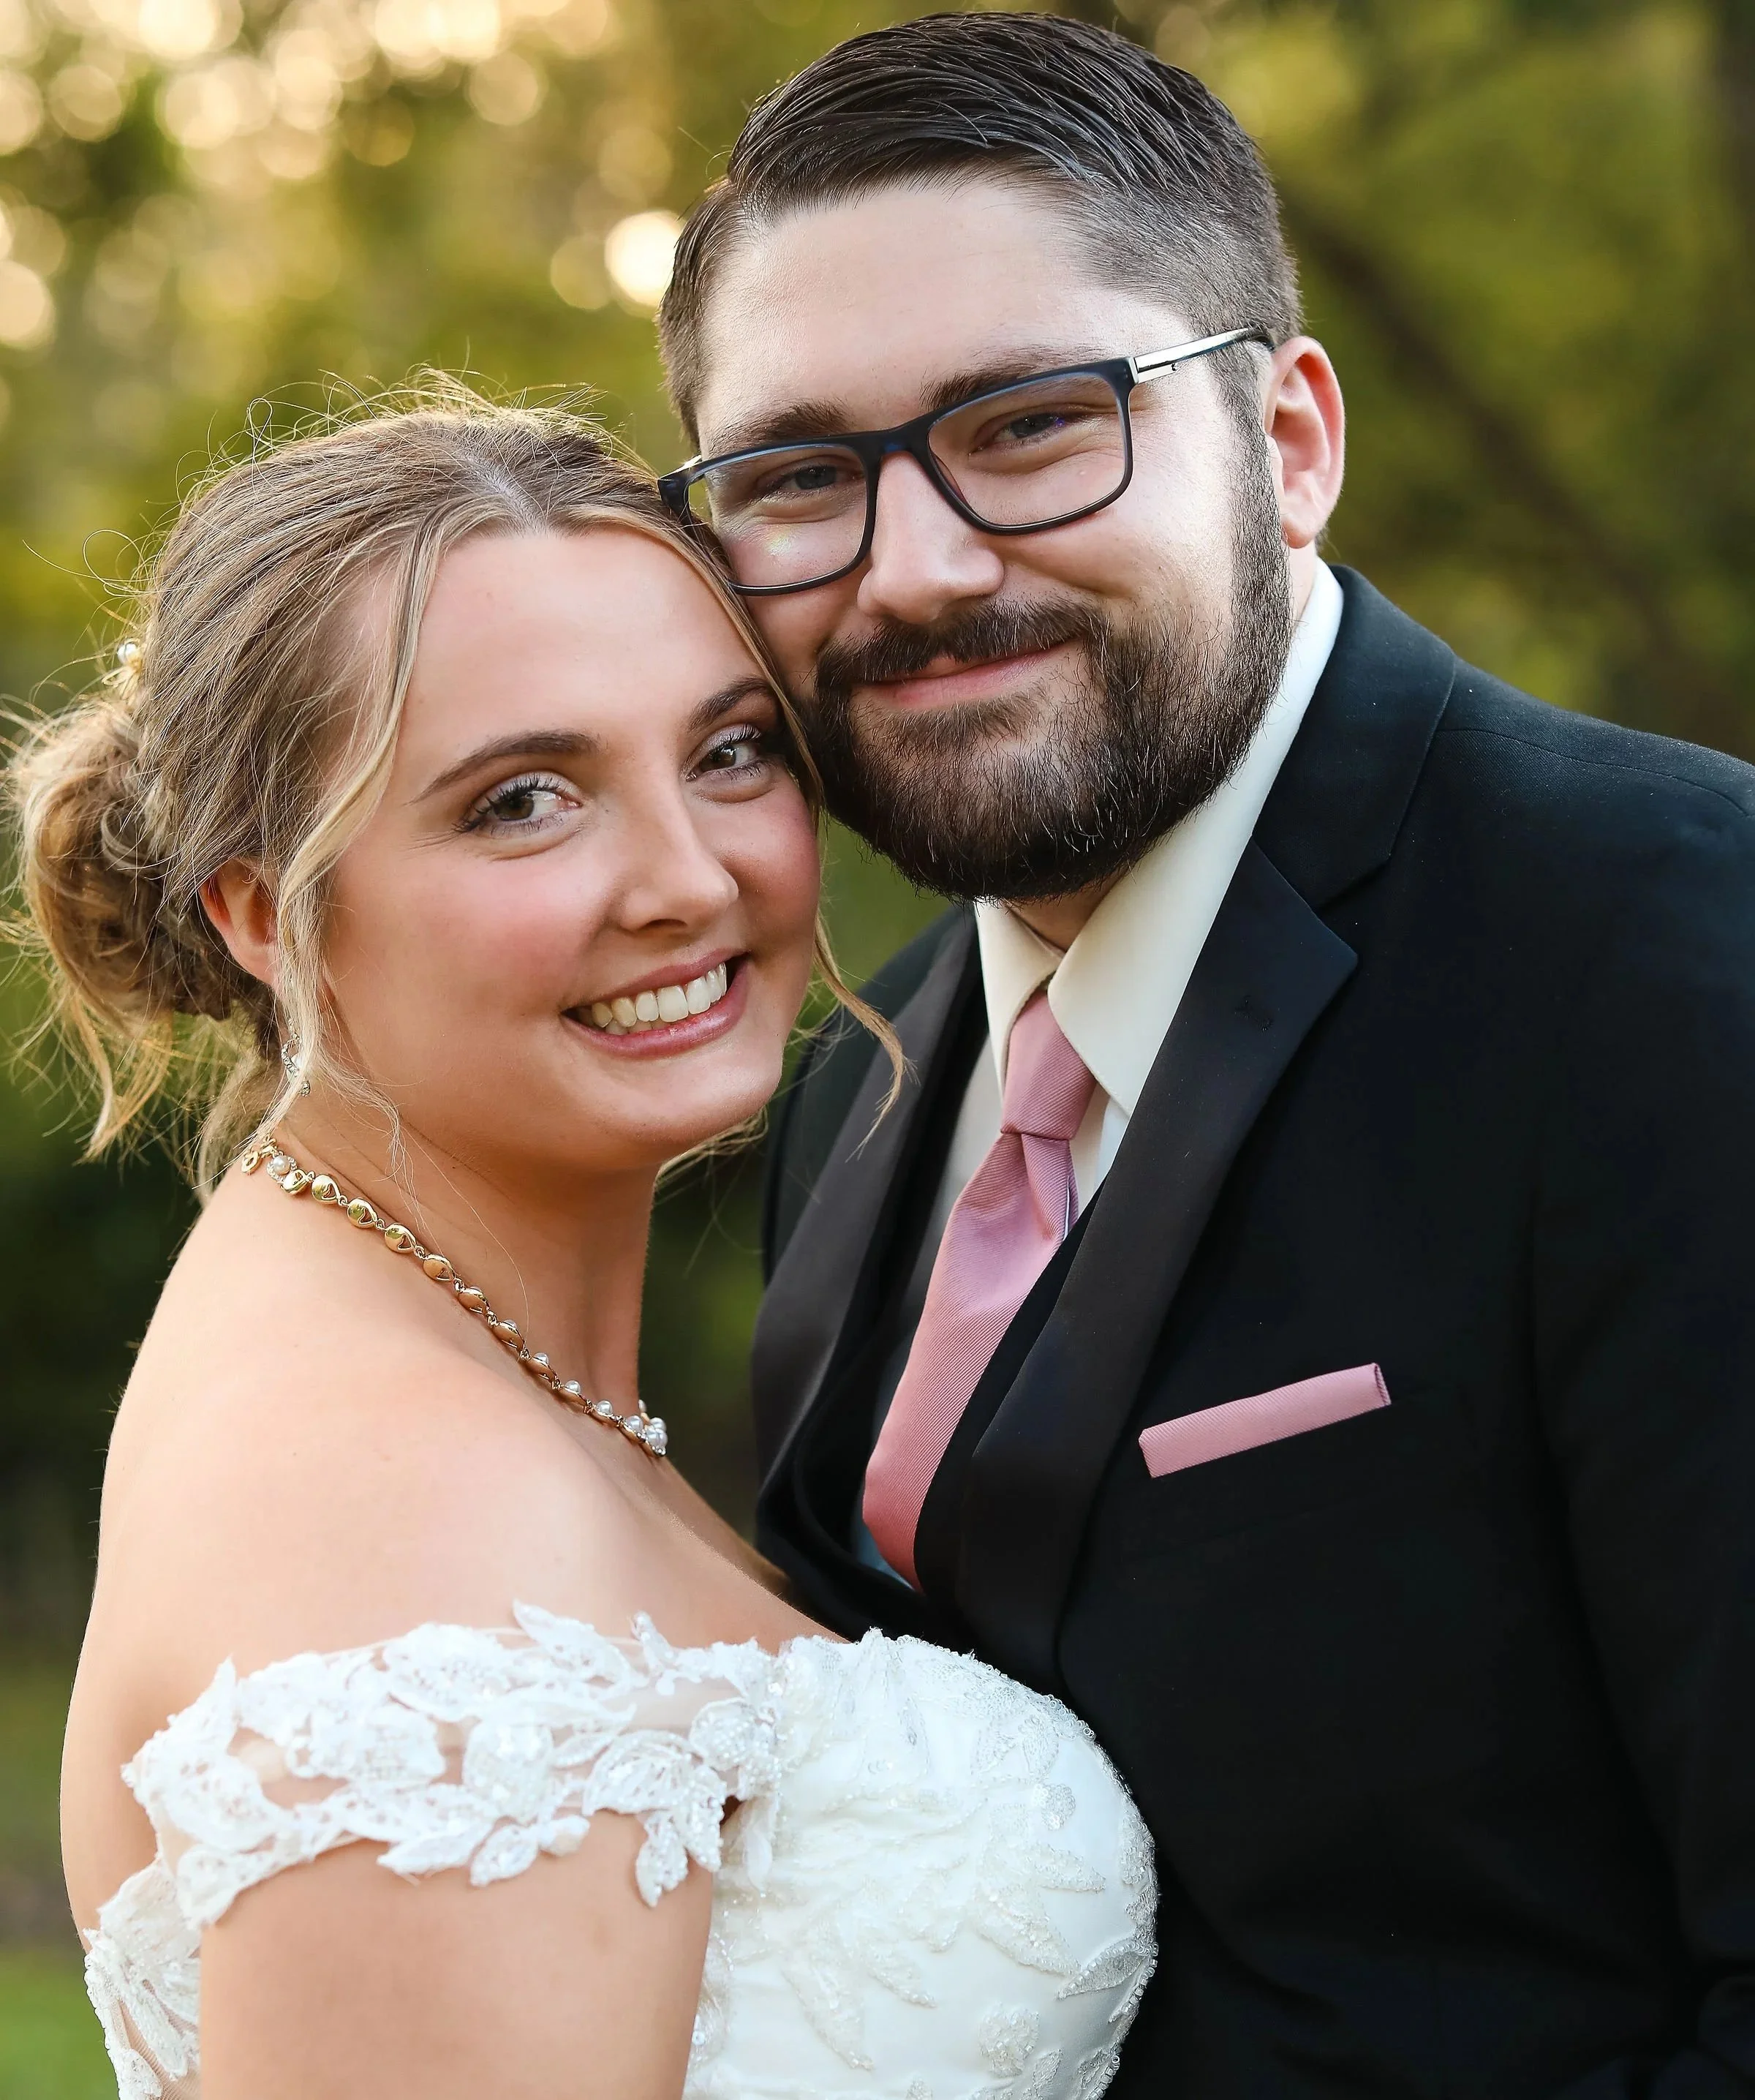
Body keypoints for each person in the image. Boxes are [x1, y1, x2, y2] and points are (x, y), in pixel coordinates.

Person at [654, 12, 1755, 2096]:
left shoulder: (1676, 952)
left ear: (1294, 439)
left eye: (1035, 424)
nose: (919, 568)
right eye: (800, 478)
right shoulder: (858, 1082)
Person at [27, 387, 1156, 2100]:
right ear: (265, 916)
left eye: (730, 752)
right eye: (523, 801)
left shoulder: (443, 1347)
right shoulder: (400, 1495)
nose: (689, 878)